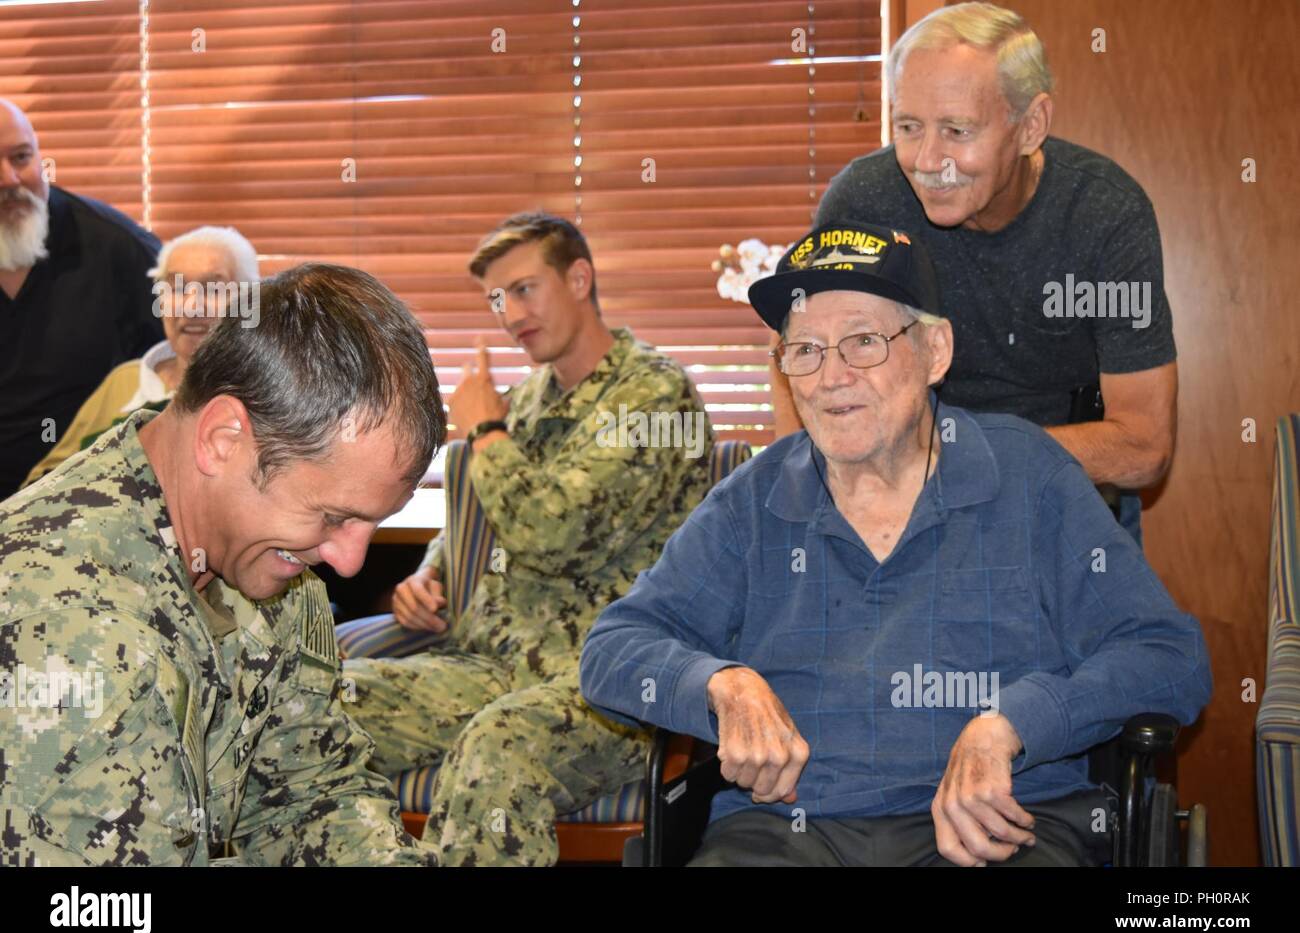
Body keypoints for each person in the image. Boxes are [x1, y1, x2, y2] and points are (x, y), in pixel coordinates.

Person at [580, 220, 1211, 867]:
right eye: (805, 350)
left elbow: (1170, 657)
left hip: (999, 831)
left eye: (862, 342)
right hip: (789, 833)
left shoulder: (1029, 477)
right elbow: (610, 652)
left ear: (935, 351)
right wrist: (719, 683)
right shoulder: (754, 500)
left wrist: (1012, 724)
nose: (831, 377)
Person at [0, 262, 443, 866]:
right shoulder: (69, 631)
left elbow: (310, 793)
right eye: (334, 516)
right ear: (223, 440)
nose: (347, 560)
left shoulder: (268, 566)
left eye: (371, 522)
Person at [339, 212, 714, 865]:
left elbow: (551, 530)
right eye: (496, 298)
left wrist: (485, 431)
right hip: (493, 668)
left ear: (579, 277)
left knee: (499, 744)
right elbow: (488, 519)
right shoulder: (531, 399)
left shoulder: (653, 395)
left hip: (610, 684)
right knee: (322, 702)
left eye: (524, 289)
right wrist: (430, 573)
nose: (510, 314)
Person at [772, 2, 1177, 543]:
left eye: (957, 130)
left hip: (1058, 494)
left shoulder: (1102, 216)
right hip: (899, 498)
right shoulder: (865, 203)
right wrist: (811, 493)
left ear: (1031, 125)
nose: (928, 160)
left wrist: (956, 458)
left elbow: (1144, 448)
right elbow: (798, 357)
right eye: (909, 127)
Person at [0, 99, 162, 498]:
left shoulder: (121, 250)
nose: (8, 179)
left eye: (21, 157)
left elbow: (182, 371)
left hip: (88, 505)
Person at [23, 225, 259, 487]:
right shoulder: (127, 382)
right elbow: (44, 481)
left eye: (213, 289)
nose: (192, 307)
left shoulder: (269, 394)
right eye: (177, 288)